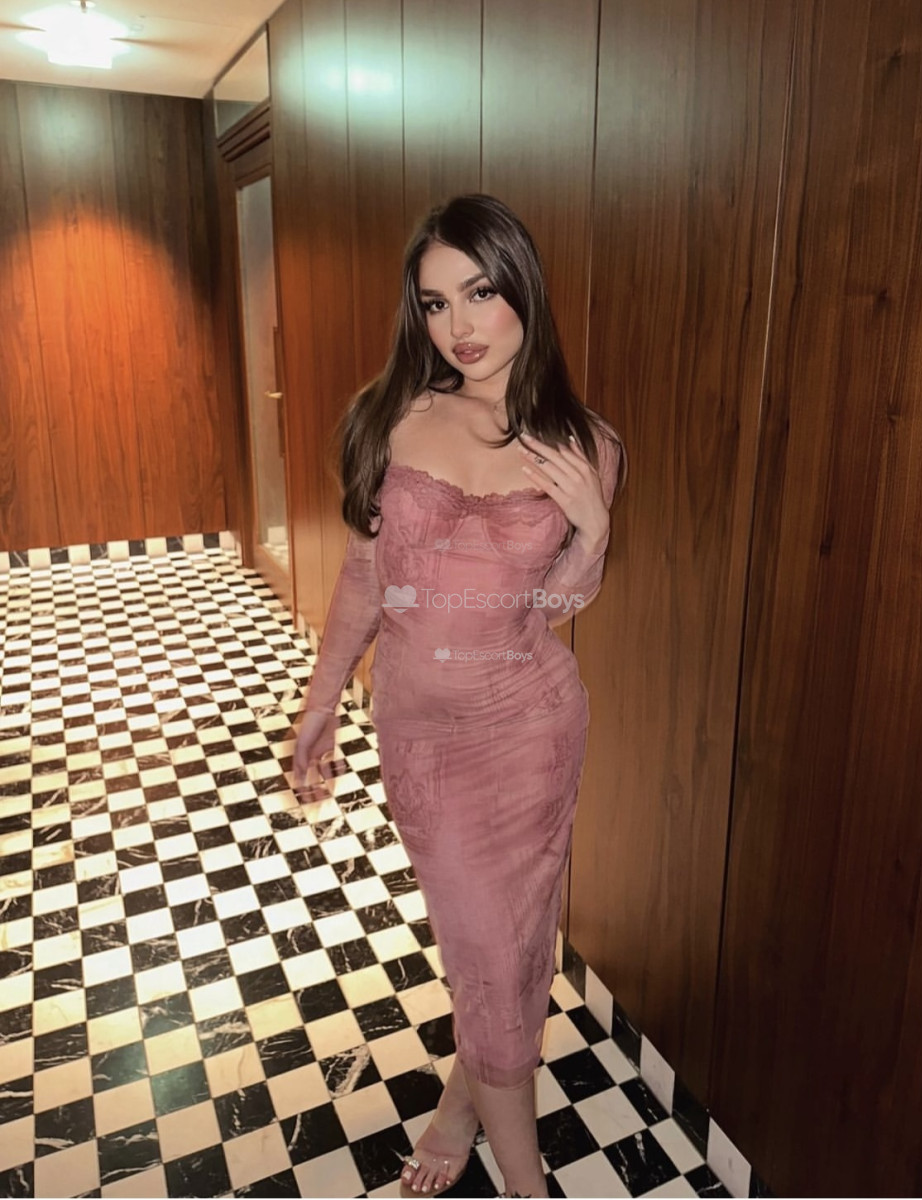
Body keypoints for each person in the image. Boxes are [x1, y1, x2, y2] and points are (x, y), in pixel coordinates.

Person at [293, 193, 626, 1199]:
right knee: (483, 941)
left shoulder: (585, 444)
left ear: (523, 288)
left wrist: (592, 529)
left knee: (509, 942)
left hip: (528, 729)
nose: (459, 327)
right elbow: (366, 578)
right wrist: (319, 703)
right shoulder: (394, 413)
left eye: (480, 294)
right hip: (421, 736)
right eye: (435, 304)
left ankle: (503, 1157)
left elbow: (552, 608)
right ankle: (484, 1123)